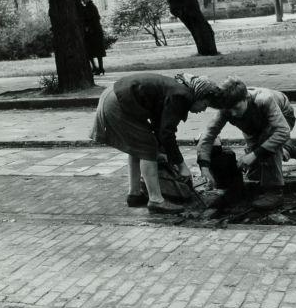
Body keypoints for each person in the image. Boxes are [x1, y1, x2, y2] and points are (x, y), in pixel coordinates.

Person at [90, 73, 222, 214]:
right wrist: (182, 166)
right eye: (205, 104)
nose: (203, 110)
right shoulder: (182, 96)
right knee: (147, 148)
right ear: (198, 96)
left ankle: (134, 194)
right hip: (118, 102)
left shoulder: (179, 90)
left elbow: (160, 126)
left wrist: (165, 154)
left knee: (139, 147)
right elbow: (167, 134)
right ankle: (156, 200)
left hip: (113, 96)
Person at [197, 77, 296, 210]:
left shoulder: (264, 99)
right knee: (254, 174)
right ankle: (287, 149)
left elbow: (282, 131)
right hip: (252, 124)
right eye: (229, 110)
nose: (233, 114)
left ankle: (274, 192)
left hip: (281, 117)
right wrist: (204, 167)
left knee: (265, 149)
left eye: (236, 108)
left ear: (246, 97)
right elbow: (209, 135)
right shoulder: (227, 108)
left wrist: (255, 154)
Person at [80, 0, 106, 75]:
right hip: (94, 32)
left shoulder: (90, 7)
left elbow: (93, 19)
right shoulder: (89, 7)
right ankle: (98, 68)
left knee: (94, 51)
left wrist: (88, 27)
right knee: (93, 51)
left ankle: (98, 68)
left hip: (93, 32)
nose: (83, 1)